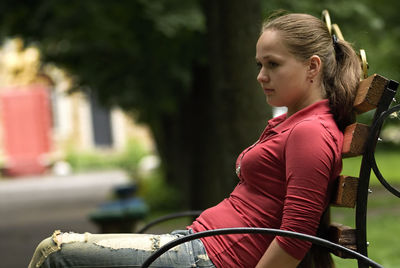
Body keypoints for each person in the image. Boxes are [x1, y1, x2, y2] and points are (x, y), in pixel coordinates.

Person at [29, 12, 361, 268]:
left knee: (54, 254)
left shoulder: (311, 132)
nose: (261, 76)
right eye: (260, 64)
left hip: (209, 256)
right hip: (197, 242)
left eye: (273, 65)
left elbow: (296, 237)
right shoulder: (294, 123)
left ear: (312, 67)